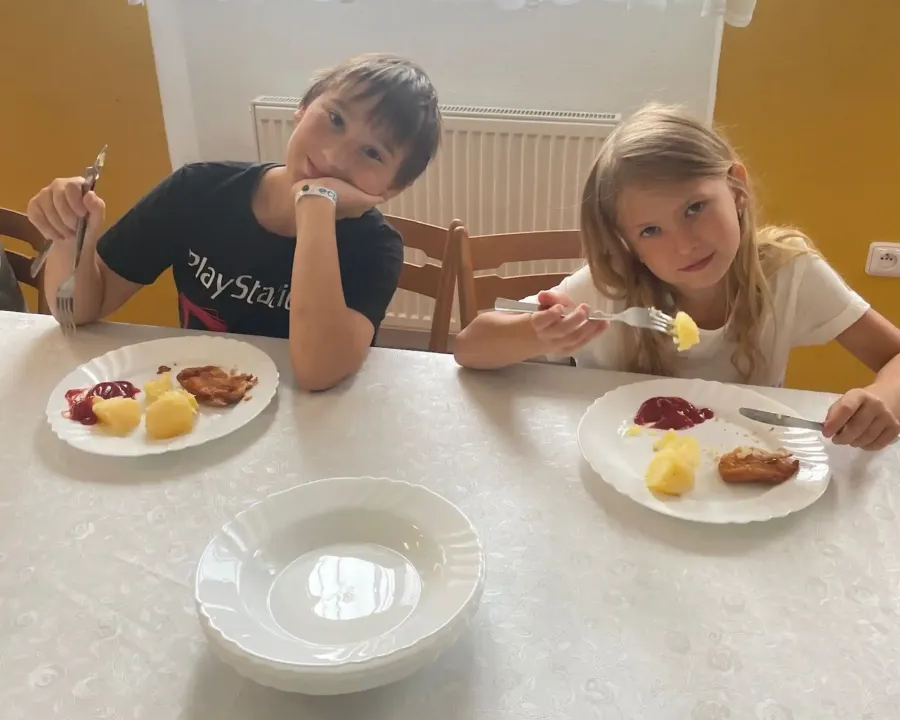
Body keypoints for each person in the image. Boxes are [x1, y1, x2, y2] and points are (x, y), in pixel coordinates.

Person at [455, 104, 900, 451]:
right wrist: (536, 333)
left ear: (736, 189)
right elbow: (470, 348)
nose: (684, 245)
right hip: (626, 470)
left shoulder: (789, 274)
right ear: (628, 244)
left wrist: (881, 397)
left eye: (694, 208)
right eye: (651, 230)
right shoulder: (611, 289)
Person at [27, 53, 440, 391]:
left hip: (307, 424)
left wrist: (316, 202)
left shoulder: (376, 247)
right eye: (334, 119)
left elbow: (318, 372)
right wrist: (69, 236)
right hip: (199, 402)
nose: (334, 156)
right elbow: (77, 314)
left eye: (372, 153)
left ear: (392, 188)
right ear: (301, 109)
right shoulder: (197, 190)